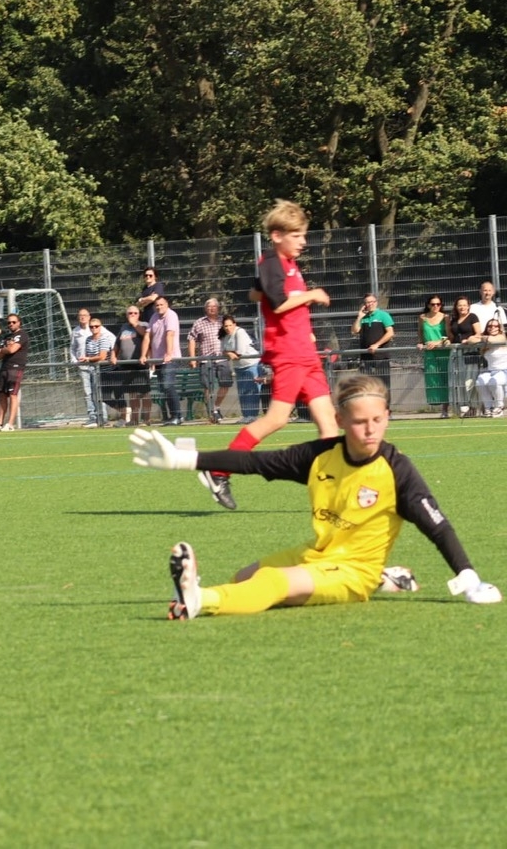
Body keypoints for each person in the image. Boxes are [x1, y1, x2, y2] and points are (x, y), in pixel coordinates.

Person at [128, 374, 501, 619]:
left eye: (377, 420)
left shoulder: (397, 471)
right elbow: (255, 462)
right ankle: (388, 579)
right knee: (244, 578)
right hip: (319, 553)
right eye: (359, 421)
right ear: (339, 421)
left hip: (353, 572)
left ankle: (198, 600)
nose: (370, 430)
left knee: (272, 583)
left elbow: (438, 527)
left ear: (387, 416)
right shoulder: (320, 456)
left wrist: (469, 578)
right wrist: (183, 459)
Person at [198, 200, 338, 512]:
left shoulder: (285, 264)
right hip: (289, 354)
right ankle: (218, 470)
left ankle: (330, 495)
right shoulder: (273, 262)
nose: (303, 241)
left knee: (329, 424)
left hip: (305, 353)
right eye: (297, 235)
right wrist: (311, 295)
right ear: (277, 236)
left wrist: (303, 326)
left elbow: (256, 293)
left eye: (303, 235)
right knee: (276, 419)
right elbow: (278, 303)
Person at [187, 298, 231, 423]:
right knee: (208, 388)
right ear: (205, 309)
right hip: (206, 360)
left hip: (222, 358)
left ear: (218, 308)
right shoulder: (199, 322)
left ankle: (216, 408)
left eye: (214, 306)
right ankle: (212, 412)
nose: (212, 309)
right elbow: (191, 339)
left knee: (225, 384)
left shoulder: (224, 321)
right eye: (209, 307)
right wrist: (192, 358)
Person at [140, 296, 183, 425]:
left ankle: (177, 416)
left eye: (161, 304)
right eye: (157, 305)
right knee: (164, 388)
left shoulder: (171, 315)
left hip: (170, 359)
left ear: (167, 304)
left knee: (167, 385)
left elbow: (170, 334)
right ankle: (174, 416)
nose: (159, 307)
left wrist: (169, 353)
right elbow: (147, 336)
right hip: (158, 359)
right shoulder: (154, 317)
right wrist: (143, 355)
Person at [220, 314, 262, 423]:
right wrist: (228, 353)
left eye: (230, 325)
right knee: (242, 392)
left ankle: (252, 416)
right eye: (226, 326)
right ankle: (246, 416)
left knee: (251, 391)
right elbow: (223, 351)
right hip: (239, 367)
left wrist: (229, 353)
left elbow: (239, 352)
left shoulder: (240, 332)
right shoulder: (225, 336)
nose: (228, 328)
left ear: (234, 324)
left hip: (251, 365)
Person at [114, 305, 151, 426]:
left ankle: (146, 419)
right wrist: (114, 356)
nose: (132, 315)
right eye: (130, 313)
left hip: (140, 364)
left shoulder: (144, 325)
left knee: (144, 393)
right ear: (126, 315)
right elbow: (117, 344)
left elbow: (146, 336)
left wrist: (135, 324)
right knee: (132, 394)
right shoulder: (124, 327)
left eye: (135, 313)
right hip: (127, 366)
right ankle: (134, 420)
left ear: (139, 314)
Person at [417, 294, 452, 418]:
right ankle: (436, 403)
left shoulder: (445, 317)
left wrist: (437, 342)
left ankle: (445, 409)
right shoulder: (422, 318)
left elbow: (449, 336)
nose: (435, 306)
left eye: (438, 304)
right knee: (433, 378)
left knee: (445, 378)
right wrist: (420, 343)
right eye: (433, 304)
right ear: (428, 305)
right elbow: (420, 332)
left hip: (443, 352)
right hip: (430, 353)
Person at [0, 313, 29, 431]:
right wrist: (5, 349)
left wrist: (5, 350)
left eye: (14, 322)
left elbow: (12, 349)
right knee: (2, 395)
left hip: (16, 367)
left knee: (13, 394)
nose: (11, 324)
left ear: (19, 323)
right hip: (4, 367)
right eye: (9, 322)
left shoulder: (22, 335)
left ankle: (10, 424)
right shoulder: (6, 337)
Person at [352, 293, 394, 390]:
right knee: (366, 387)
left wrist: (376, 345)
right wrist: (359, 317)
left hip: (381, 357)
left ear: (376, 302)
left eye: (372, 302)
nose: (370, 304)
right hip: (366, 358)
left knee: (383, 386)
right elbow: (355, 330)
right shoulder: (363, 317)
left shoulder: (384, 315)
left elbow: (390, 333)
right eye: (367, 302)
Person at [448, 295, 482, 417]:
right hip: (456, 352)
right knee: (458, 379)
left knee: (470, 379)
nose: (462, 307)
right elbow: (451, 336)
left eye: (464, 305)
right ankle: (461, 408)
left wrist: (469, 340)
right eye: (460, 305)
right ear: (456, 307)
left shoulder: (472, 317)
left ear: (468, 306)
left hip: (470, 351)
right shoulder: (453, 320)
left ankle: (473, 406)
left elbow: (478, 334)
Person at [78, 316, 115, 427]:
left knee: (101, 395)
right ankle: (95, 418)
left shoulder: (104, 338)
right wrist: (88, 359)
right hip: (91, 369)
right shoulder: (88, 339)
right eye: (91, 327)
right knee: (91, 394)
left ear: (100, 327)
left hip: (103, 371)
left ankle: (103, 418)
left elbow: (102, 356)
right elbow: (88, 354)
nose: (94, 328)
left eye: (96, 326)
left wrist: (89, 359)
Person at [470, 319, 507, 417]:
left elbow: (493, 340)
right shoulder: (485, 340)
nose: (492, 328)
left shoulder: (502, 337)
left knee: (494, 381)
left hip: (504, 370)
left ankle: (499, 407)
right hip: (491, 371)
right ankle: (488, 407)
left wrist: (482, 338)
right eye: (490, 326)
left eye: (495, 326)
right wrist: (483, 338)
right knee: (480, 381)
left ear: (499, 328)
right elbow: (470, 339)